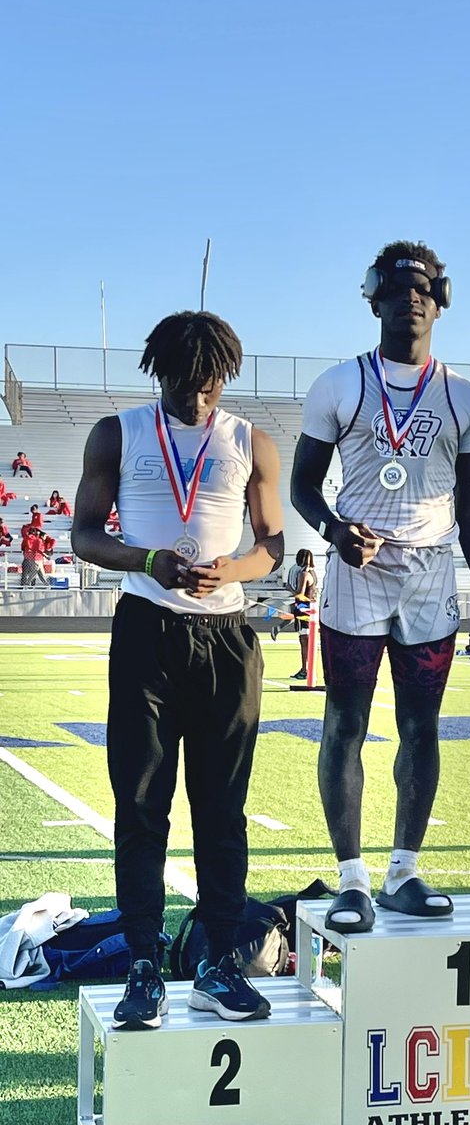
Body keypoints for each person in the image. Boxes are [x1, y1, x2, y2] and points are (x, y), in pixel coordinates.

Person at [72, 311, 285, 1031]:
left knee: (222, 808)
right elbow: (83, 534)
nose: (197, 398)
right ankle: (141, 960)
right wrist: (146, 560)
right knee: (140, 802)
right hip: (146, 631)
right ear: (156, 371)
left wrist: (236, 568)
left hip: (227, 636)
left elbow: (273, 546)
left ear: (226, 375)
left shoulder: (251, 441)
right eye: (182, 381)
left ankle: (219, 962)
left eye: (209, 383)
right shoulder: (118, 433)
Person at [291, 240, 470, 934]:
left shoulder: (463, 398)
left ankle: (404, 870)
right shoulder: (340, 385)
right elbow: (301, 484)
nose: (412, 296)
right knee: (345, 724)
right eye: (398, 286)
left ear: (440, 302)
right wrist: (332, 527)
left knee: (420, 727)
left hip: (431, 571)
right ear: (374, 297)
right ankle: (352, 879)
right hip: (358, 569)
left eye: (424, 288)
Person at [270, 548, 318, 679]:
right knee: (306, 639)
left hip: (304, 606)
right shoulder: (313, 573)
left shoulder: (303, 574)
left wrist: (288, 589)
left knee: (304, 640)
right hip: (310, 605)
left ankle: (305, 670)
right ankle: (306, 669)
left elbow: (300, 593)